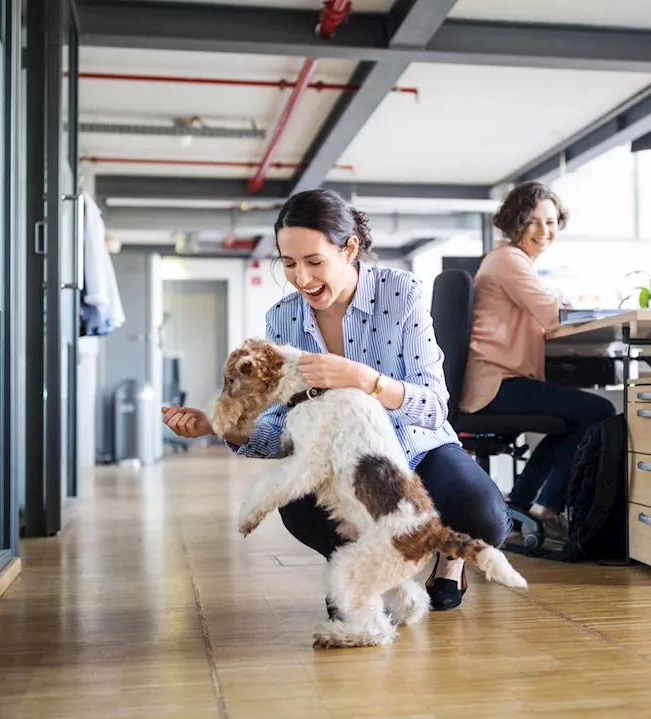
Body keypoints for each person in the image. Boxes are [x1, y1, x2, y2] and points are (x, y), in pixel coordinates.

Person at [162, 188, 507, 612]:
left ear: (350, 248)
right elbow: (278, 433)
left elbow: (434, 407)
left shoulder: (401, 294)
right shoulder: (283, 318)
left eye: (314, 262)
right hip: (340, 463)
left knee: (484, 516)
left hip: (416, 447)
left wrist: (365, 379)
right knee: (298, 507)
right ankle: (356, 567)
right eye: (288, 264)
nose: (302, 278)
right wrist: (224, 425)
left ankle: (449, 562)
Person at [459, 181, 616, 537]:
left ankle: (520, 504)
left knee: (569, 421)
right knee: (599, 412)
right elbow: (551, 315)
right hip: (497, 385)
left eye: (551, 222)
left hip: (497, 382)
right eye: (534, 222)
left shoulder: (509, 261)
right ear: (516, 223)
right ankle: (547, 506)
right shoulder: (509, 260)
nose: (544, 232)